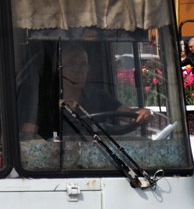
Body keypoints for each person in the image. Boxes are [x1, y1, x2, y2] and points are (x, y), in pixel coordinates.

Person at [22, 42, 151, 138]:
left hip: (94, 164)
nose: (79, 70)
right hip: (57, 167)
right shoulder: (43, 100)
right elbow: (28, 138)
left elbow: (129, 115)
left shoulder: (97, 96)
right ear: (58, 69)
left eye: (83, 64)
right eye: (72, 64)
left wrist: (142, 114)